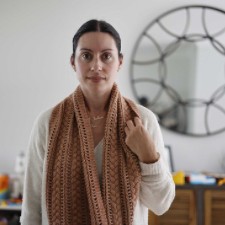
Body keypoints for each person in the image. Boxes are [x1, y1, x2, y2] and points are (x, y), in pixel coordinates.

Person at [20, 19, 175, 225]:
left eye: (106, 56)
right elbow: (31, 210)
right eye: (86, 56)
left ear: (119, 62)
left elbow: (161, 204)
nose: (96, 66)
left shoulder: (142, 121)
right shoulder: (48, 123)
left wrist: (148, 157)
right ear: (73, 62)